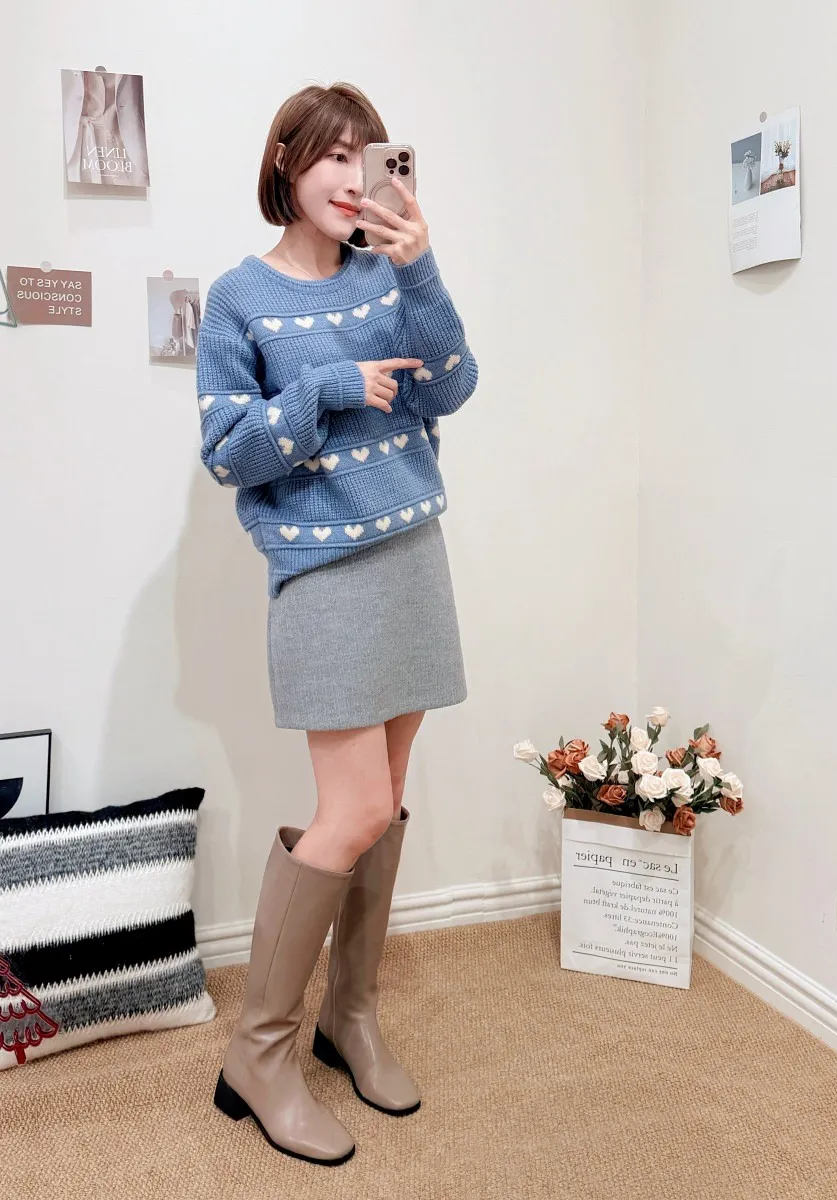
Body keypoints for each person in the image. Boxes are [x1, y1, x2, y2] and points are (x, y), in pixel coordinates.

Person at [195, 82, 477, 1166]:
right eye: (331, 156)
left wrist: (421, 268)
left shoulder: (389, 275)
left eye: (368, 157)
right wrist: (326, 388)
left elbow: (453, 386)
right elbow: (229, 453)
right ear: (287, 161)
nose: (353, 179)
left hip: (411, 558)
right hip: (321, 572)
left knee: (385, 803)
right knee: (350, 810)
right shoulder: (239, 299)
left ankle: (347, 1016)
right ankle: (258, 1054)